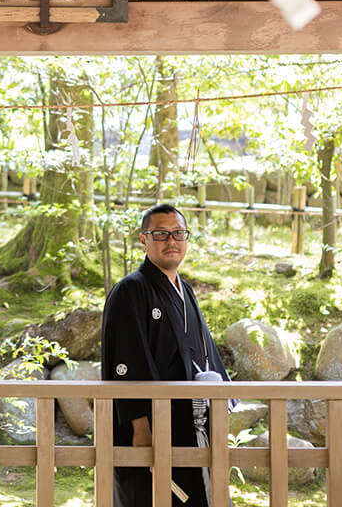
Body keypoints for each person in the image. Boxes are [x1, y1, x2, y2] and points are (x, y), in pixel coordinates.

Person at [101, 204, 231, 507]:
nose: (171, 240)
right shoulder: (130, 290)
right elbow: (127, 361)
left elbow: (202, 352)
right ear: (144, 239)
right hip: (151, 427)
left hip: (189, 422)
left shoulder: (184, 289)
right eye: (160, 234)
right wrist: (141, 428)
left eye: (178, 233)